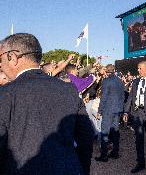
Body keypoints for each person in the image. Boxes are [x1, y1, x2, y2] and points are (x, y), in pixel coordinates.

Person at [0, 33, 94, 175]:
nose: (0, 64)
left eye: (0, 59)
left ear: (12, 58)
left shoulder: (5, 94)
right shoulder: (68, 90)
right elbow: (85, 137)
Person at [95, 64, 125, 162]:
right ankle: (115, 152)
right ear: (114, 71)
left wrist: (99, 110)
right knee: (115, 132)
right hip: (117, 110)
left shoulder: (106, 81)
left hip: (108, 110)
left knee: (105, 132)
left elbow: (103, 98)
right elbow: (123, 96)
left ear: (107, 71)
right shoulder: (120, 81)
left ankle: (104, 155)